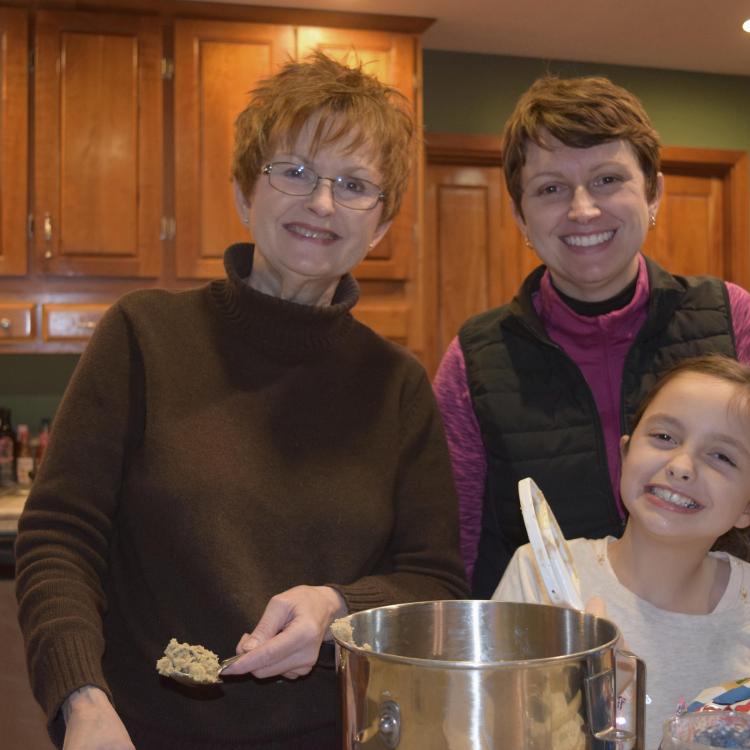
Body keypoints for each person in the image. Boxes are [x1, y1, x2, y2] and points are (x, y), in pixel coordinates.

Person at [14, 52, 468, 750]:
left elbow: (434, 579)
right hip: (139, 731)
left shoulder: (399, 385)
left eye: (353, 185)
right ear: (242, 191)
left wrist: (337, 606)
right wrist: (83, 699)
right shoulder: (142, 337)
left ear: (379, 228)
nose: (321, 204)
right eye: (294, 172)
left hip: (336, 734)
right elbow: (59, 540)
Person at [433, 74, 750, 597]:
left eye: (607, 179)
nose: (583, 209)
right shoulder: (474, 360)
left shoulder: (732, 318)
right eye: (551, 189)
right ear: (521, 216)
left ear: (653, 193)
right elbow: (457, 548)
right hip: (543, 653)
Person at [494, 354, 750, 748]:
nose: (682, 466)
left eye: (722, 456)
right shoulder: (539, 576)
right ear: (625, 454)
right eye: (665, 437)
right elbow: (486, 728)